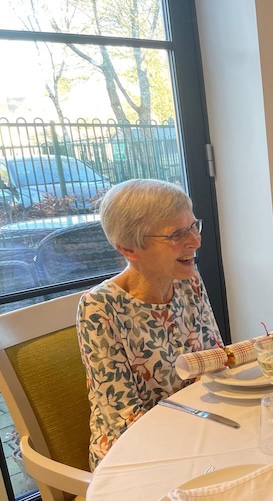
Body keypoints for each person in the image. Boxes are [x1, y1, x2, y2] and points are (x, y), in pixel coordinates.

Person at [77, 179, 223, 469]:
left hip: (198, 432)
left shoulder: (188, 280)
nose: (195, 241)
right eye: (177, 234)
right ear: (130, 249)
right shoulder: (100, 308)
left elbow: (214, 361)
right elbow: (125, 420)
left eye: (193, 226)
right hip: (136, 459)